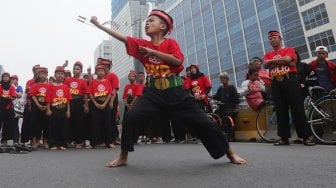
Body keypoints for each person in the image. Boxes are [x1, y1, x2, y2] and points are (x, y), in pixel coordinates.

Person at [90, 9, 246, 167]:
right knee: (131, 117)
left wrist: (153, 52)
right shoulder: (143, 45)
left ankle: (230, 153)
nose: (147, 23)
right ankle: (123, 156)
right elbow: (122, 38)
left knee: (205, 123)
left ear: (163, 26)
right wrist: (98, 25)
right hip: (153, 93)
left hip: (176, 92)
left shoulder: (170, 43)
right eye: (147, 21)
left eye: (151, 20)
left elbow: (177, 62)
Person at [263, 30, 315, 146]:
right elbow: (266, 64)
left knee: (297, 108)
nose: (272, 40)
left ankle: (306, 137)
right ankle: (284, 137)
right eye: (270, 39)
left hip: (290, 80)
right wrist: (282, 62)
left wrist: (274, 62)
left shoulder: (289, 49)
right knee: (280, 109)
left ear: (280, 39)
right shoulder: (267, 54)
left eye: (274, 38)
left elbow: (288, 60)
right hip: (276, 82)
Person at [87, 64, 114, 149]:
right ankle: (94, 143)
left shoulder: (107, 82)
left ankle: (108, 142)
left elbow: (110, 93)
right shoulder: (93, 82)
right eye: (98, 71)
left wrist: (105, 103)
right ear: (96, 72)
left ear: (104, 72)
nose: (100, 72)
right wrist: (95, 103)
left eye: (102, 70)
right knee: (94, 124)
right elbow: (90, 94)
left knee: (107, 123)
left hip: (105, 104)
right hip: (95, 105)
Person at [64, 61, 89, 149]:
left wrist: (86, 105)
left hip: (79, 102)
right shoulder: (67, 79)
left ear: (81, 71)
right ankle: (69, 140)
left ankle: (78, 142)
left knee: (79, 122)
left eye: (78, 69)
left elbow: (85, 94)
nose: (75, 70)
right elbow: (65, 91)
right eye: (74, 69)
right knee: (69, 121)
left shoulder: (83, 81)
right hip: (69, 102)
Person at [46, 66, 72, 150]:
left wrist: (68, 111)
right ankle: (52, 144)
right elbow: (48, 99)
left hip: (63, 109)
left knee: (63, 127)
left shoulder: (66, 87)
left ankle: (62, 144)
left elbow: (68, 100)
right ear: (54, 75)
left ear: (64, 76)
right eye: (58, 74)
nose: (60, 75)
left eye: (62, 74)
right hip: (53, 109)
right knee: (53, 127)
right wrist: (48, 109)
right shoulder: (50, 86)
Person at [29, 67, 50, 149]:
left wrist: (47, 107)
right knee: (35, 125)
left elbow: (50, 97)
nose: (43, 75)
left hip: (46, 106)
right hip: (36, 107)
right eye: (41, 74)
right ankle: (34, 142)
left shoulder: (50, 85)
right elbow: (32, 95)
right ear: (38, 75)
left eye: (44, 74)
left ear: (47, 75)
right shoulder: (35, 85)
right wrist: (38, 105)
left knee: (46, 125)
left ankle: (45, 142)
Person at [0, 72, 16, 145]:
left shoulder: (11, 87)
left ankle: (4, 140)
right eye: (4, 76)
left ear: (9, 78)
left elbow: (13, 97)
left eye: (7, 76)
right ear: (2, 78)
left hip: (8, 107)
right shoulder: (0, 86)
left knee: (7, 124)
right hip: (0, 107)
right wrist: (6, 98)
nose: (5, 78)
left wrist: (5, 98)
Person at [10, 75, 24, 144]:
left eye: (14, 79)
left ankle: (16, 140)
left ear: (17, 80)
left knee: (15, 124)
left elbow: (19, 95)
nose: (13, 80)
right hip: (8, 107)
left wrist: (13, 89)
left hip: (16, 108)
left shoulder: (19, 87)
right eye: (12, 79)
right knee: (7, 124)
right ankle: (6, 140)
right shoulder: (7, 87)